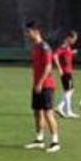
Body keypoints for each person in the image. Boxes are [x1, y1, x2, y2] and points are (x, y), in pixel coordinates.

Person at [24, 21, 61, 153]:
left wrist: (40, 82)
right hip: (37, 85)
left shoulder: (45, 47)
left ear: (36, 31)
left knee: (47, 112)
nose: (27, 34)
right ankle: (39, 140)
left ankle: (55, 142)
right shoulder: (35, 47)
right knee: (37, 112)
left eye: (28, 32)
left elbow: (48, 66)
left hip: (46, 85)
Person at [54, 30, 79, 118]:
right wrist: (59, 68)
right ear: (69, 38)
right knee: (68, 91)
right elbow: (55, 55)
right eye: (74, 39)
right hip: (66, 72)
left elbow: (65, 56)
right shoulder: (64, 46)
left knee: (70, 90)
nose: (74, 41)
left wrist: (72, 53)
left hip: (68, 71)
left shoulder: (68, 47)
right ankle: (68, 111)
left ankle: (60, 107)